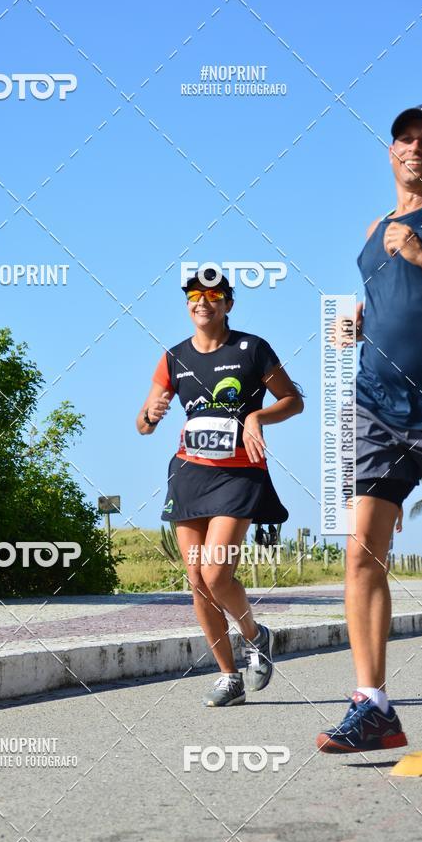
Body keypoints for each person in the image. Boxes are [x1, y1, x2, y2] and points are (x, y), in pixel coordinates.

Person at [136, 268, 304, 706]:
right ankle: (229, 677)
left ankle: (254, 634)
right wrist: (152, 414)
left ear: (228, 304)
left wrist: (257, 416)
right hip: (190, 475)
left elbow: (293, 400)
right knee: (195, 579)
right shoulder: (173, 357)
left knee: (216, 573)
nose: (202, 301)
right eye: (194, 294)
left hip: (239, 475)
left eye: (213, 295)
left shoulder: (252, 349)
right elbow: (142, 425)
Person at [317, 104, 422, 753]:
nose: (416, 148)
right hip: (379, 405)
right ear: (391, 151)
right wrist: (358, 324)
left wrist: (420, 253)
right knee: (363, 549)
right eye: (406, 138)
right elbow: (391, 298)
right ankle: (374, 704)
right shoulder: (374, 228)